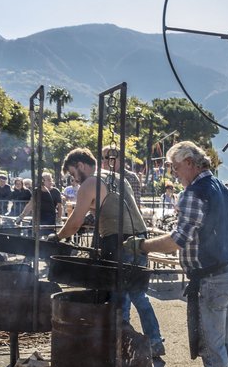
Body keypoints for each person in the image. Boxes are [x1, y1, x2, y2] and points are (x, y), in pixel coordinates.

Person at [126, 141, 228, 367]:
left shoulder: (193, 193)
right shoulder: (227, 192)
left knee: (213, 348)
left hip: (210, 280)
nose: (174, 173)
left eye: (175, 167)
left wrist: (142, 246)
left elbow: (176, 242)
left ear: (190, 163)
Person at [51, 148, 164, 356]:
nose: (74, 179)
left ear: (81, 165)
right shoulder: (117, 177)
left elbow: (75, 222)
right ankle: (154, 341)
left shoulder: (89, 183)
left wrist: (56, 237)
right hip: (139, 237)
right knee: (137, 292)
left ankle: (118, 342)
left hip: (118, 240)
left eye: (73, 173)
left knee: (117, 292)